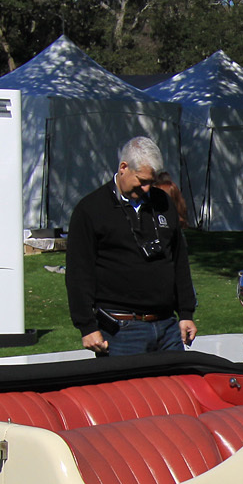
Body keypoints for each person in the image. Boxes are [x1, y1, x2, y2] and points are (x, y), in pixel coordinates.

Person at [67, 136, 198, 357]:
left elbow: (178, 260)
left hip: (167, 326)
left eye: (151, 182)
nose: (147, 189)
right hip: (121, 330)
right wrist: (87, 326)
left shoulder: (163, 203)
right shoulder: (91, 209)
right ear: (123, 168)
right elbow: (78, 272)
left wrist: (186, 312)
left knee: (174, 389)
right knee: (126, 391)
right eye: (142, 180)